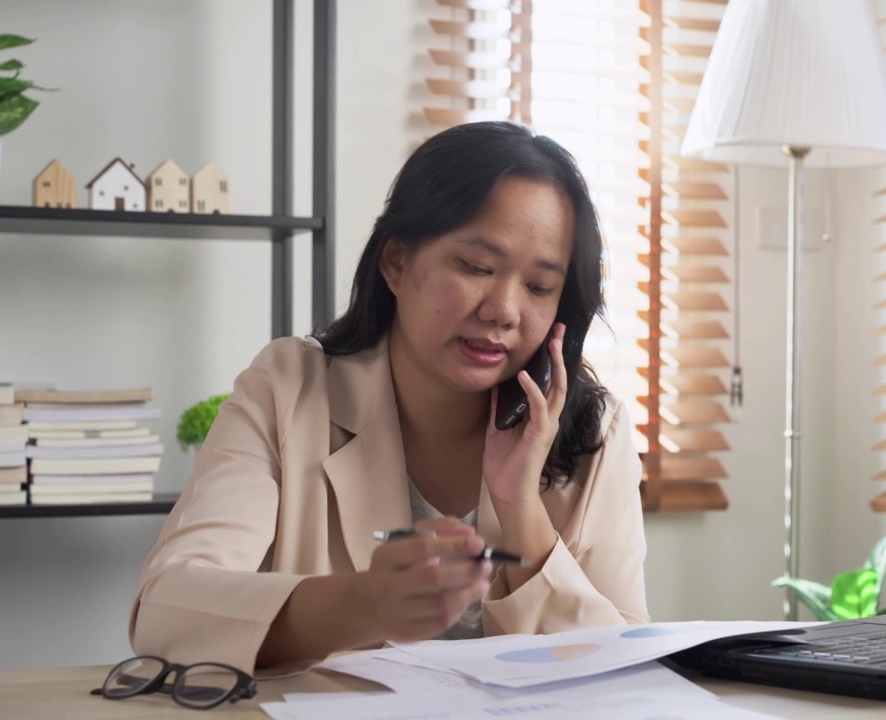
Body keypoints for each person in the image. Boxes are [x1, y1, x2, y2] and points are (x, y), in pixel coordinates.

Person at [129, 121, 649, 675]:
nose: (504, 309)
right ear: (396, 262)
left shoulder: (596, 432)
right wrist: (365, 604)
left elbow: (628, 665)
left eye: (539, 287)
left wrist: (520, 505)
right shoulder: (289, 388)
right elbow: (166, 609)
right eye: (477, 267)